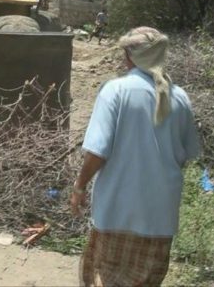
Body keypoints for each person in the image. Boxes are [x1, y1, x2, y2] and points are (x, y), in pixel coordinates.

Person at [71, 26, 201, 287]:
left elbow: (97, 152)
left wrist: (80, 186)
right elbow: (186, 155)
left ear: (128, 56)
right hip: (160, 215)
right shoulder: (180, 97)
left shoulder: (115, 91)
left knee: (107, 277)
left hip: (118, 211)